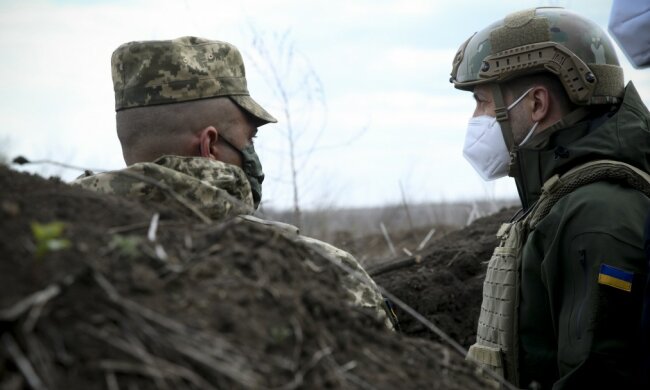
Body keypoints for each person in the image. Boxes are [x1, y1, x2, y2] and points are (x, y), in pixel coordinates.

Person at [73, 36, 396, 330]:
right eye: (250, 139)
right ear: (210, 145)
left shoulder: (58, 243)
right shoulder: (318, 270)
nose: (252, 155)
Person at [449, 7, 650, 389]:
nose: (476, 118)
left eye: (482, 101)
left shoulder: (597, 215)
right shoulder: (561, 199)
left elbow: (596, 377)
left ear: (536, 104)